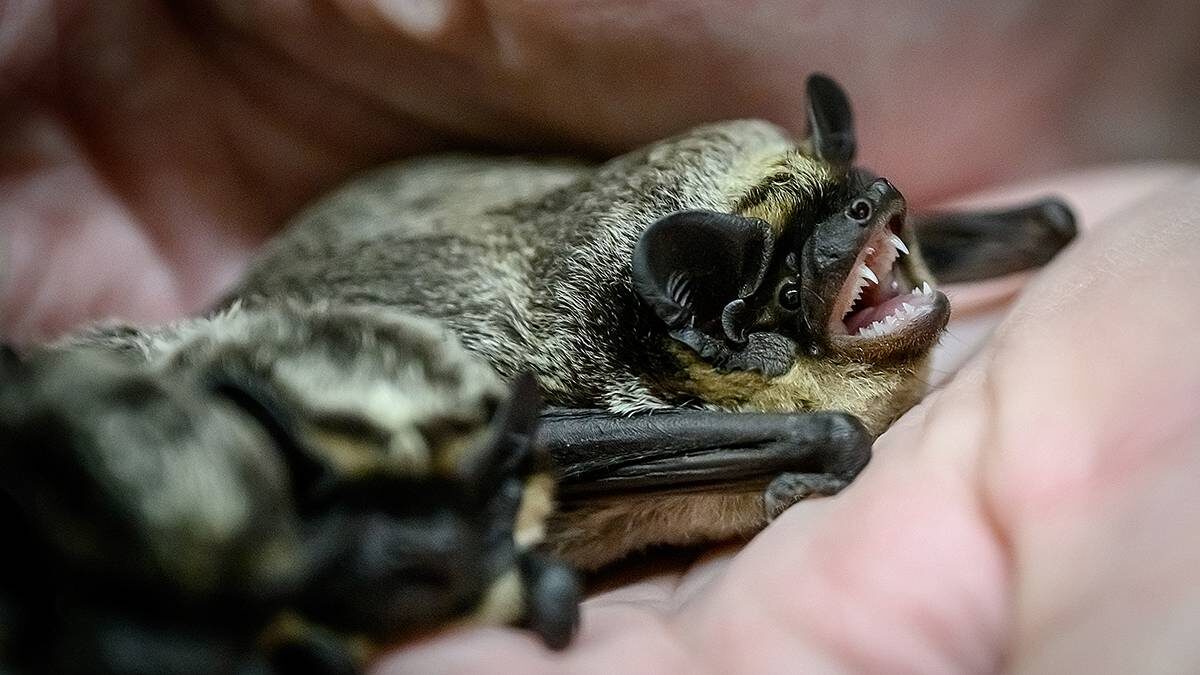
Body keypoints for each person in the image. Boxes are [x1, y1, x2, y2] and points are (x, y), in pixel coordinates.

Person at [3, 2, 1199, 671]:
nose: (873, 230)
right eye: (796, 264)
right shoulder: (602, 395)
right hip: (423, 345)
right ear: (712, 338)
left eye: (856, 201)